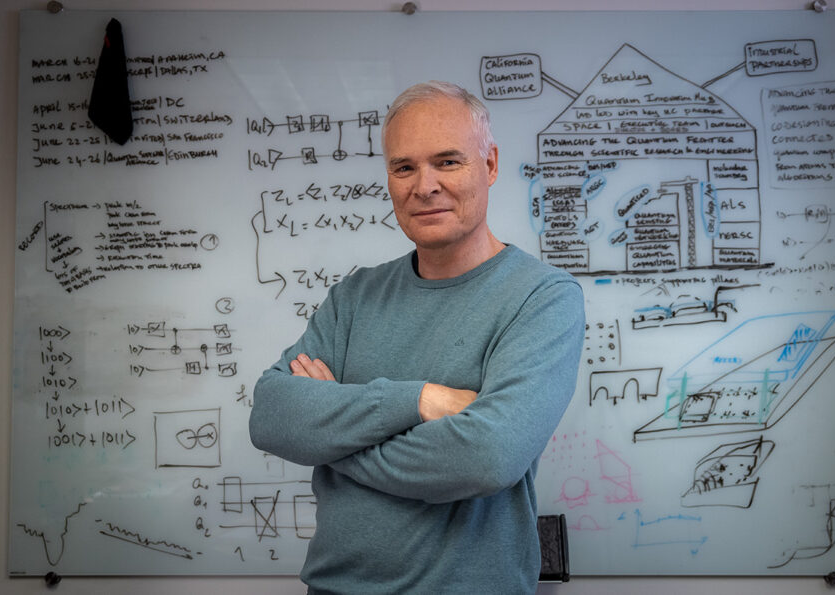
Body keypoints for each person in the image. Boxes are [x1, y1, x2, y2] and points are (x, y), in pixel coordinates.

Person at [249, 81, 585, 594]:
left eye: (447, 162)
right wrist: (419, 400)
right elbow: (272, 415)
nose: (424, 186)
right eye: (404, 167)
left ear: (490, 164)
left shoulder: (543, 298)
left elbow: (486, 458)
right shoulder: (354, 297)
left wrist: (333, 440)